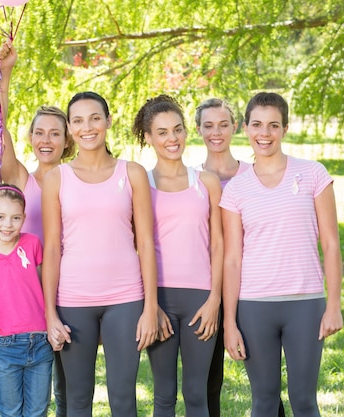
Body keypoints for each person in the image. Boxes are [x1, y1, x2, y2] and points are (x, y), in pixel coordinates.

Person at [221, 92, 343, 417]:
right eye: (257, 124)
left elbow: (331, 244)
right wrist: (230, 323)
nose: (265, 133)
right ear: (245, 128)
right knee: (263, 401)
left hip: (306, 304)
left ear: (285, 129)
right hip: (254, 306)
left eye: (274, 125)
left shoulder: (314, 174)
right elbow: (232, 259)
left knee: (304, 401)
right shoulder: (235, 190)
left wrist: (333, 306)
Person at [42, 91, 161, 417]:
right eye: (78, 120)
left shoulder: (132, 173)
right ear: (70, 127)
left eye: (95, 118)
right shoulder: (56, 178)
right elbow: (52, 248)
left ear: (108, 121)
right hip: (73, 300)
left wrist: (150, 307)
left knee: (123, 399)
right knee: (78, 400)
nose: (87, 127)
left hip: (125, 299)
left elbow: (146, 243)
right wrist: (50, 313)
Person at [0, 40, 75, 417]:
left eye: (55, 133)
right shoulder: (21, 178)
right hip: (28, 296)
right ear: (30, 138)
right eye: (39, 132)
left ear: (67, 140)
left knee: (68, 383)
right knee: (36, 387)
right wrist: (3, 74)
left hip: (71, 287)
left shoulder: (76, 180)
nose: (46, 140)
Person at [195, 97, 286, 417]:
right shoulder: (193, 180)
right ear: (198, 130)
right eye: (208, 126)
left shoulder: (255, 174)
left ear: (236, 126)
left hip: (255, 288)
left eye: (223, 124)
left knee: (266, 384)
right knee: (209, 381)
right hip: (207, 289)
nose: (216, 132)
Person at [132, 95, 223, 417]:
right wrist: (150, 305)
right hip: (160, 300)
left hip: (201, 299)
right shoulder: (141, 182)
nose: (172, 139)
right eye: (162, 132)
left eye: (178, 130)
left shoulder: (207, 182)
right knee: (164, 395)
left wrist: (215, 300)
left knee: (197, 393)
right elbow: (138, 245)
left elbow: (218, 244)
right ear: (148, 137)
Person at [0, 183, 53, 417]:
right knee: (10, 411)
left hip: (40, 340)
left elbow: (43, 286)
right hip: (5, 345)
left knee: (38, 410)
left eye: (15, 218)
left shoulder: (32, 244)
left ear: (24, 218)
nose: (7, 225)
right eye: (0, 217)